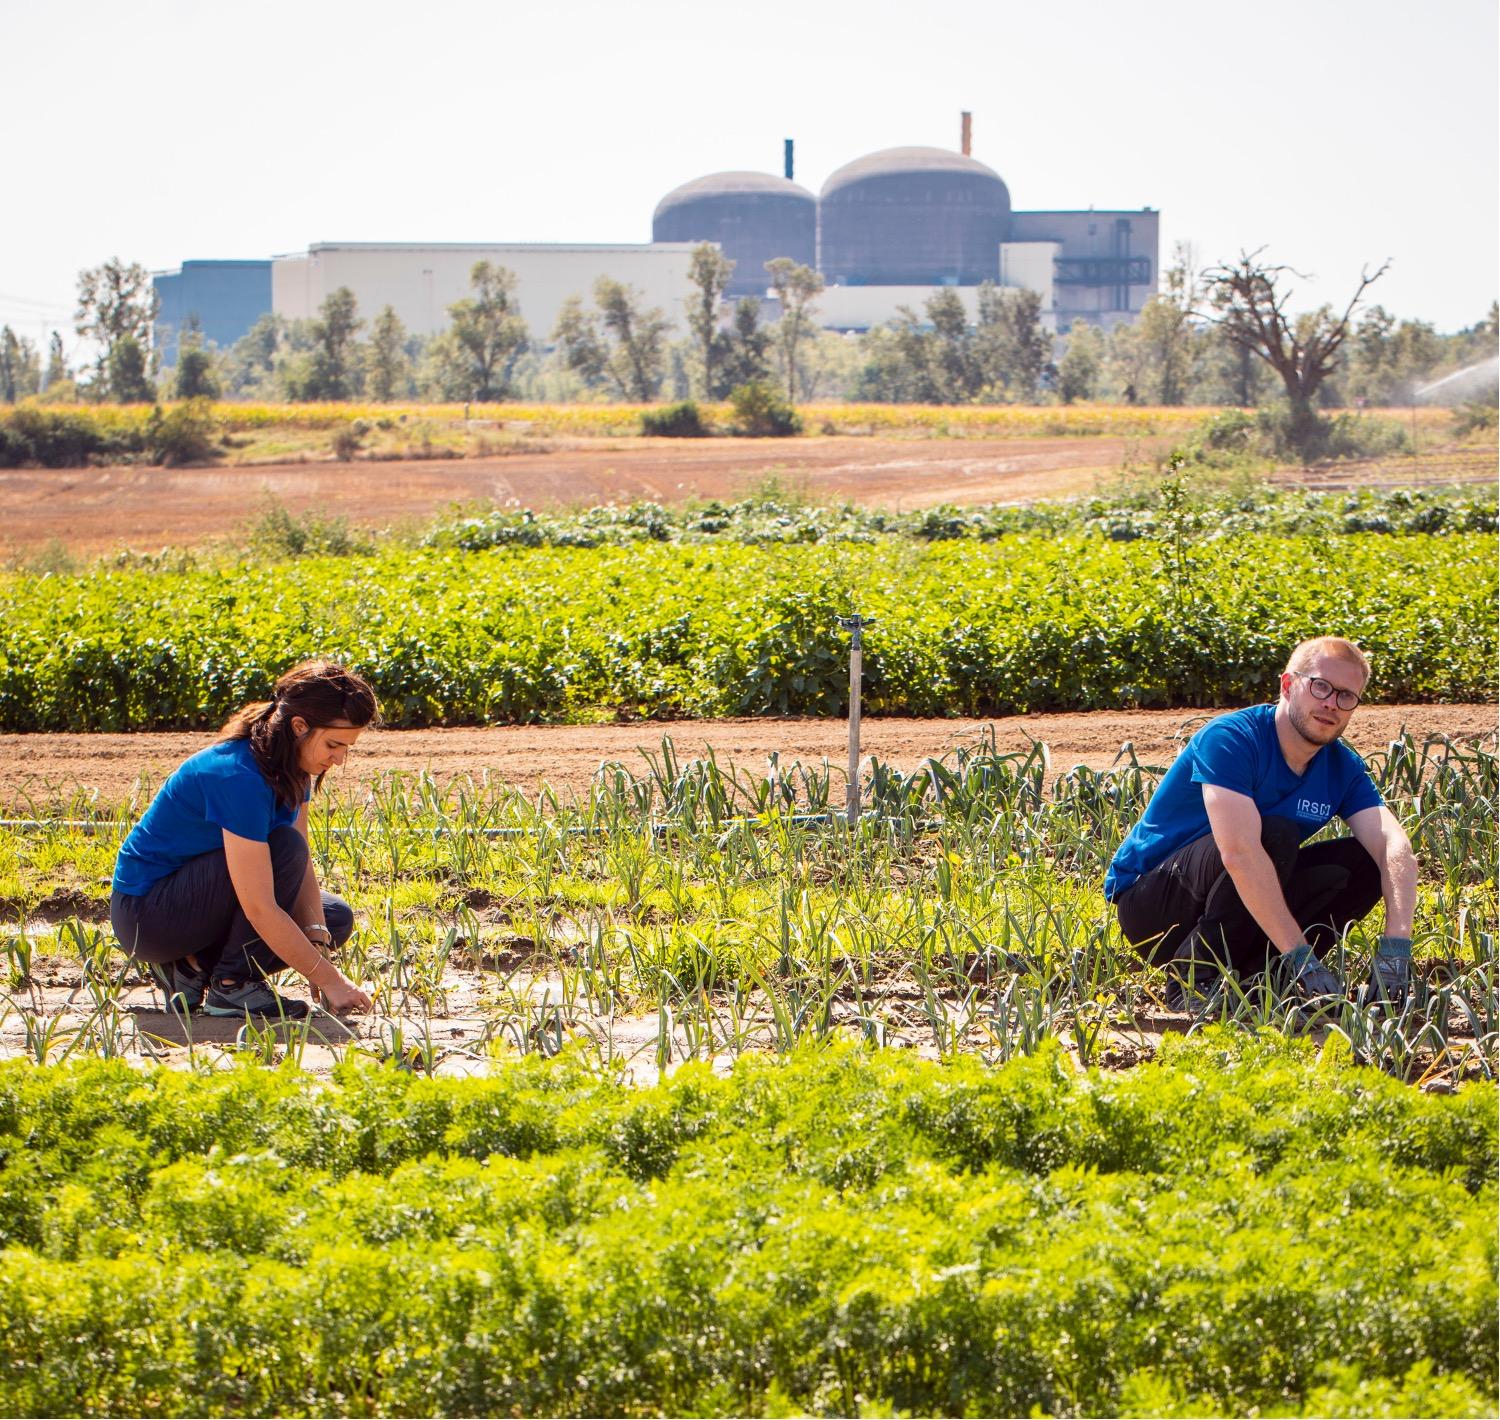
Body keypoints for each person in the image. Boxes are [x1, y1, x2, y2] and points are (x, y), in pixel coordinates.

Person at [1105, 637, 1417, 1010]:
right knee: (1273, 834)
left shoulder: (1341, 768)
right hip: (1155, 908)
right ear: (1287, 685)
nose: (1331, 703)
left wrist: (1396, 947)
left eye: (1346, 696)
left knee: (1365, 859)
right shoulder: (1233, 739)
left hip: (1235, 908)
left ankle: (1267, 979)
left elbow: (1393, 847)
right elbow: (1239, 853)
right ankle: (1193, 980)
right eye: (1320, 686)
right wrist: (1299, 951)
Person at [111, 659, 377, 1019]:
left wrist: (317, 940)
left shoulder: (294, 766)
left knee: (333, 919)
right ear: (299, 726)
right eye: (334, 744)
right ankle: (231, 986)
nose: (341, 759)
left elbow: (301, 867)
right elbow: (260, 906)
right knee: (283, 849)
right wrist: (330, 980)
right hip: (149, 917)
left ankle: (191, 969)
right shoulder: (238, 776)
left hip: (198, 901)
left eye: (348, 747)